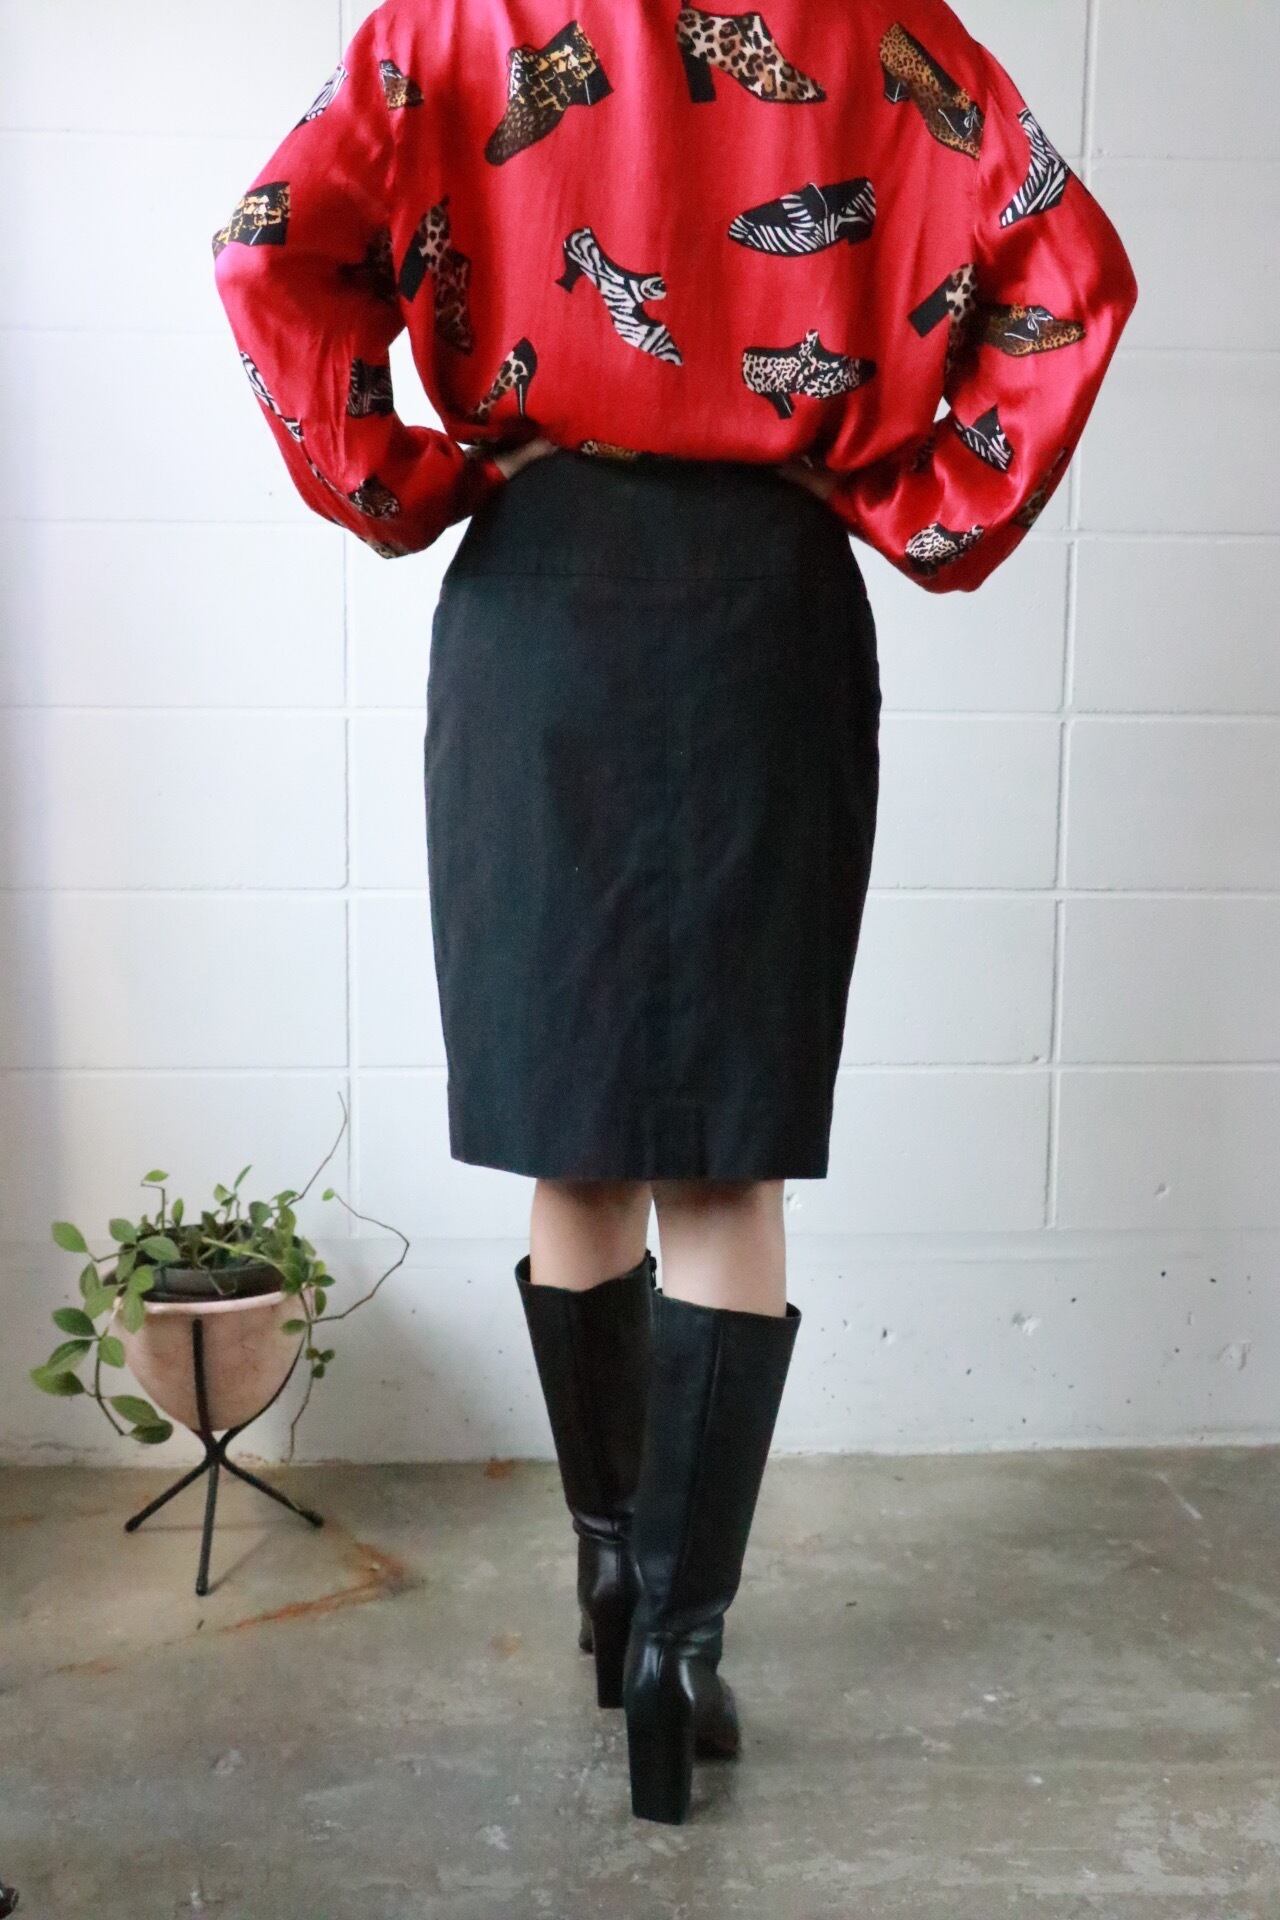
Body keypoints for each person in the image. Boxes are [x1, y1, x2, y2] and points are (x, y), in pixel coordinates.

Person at [212, 0, 1138, 1825]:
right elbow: (1070, 272)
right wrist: (913, 497)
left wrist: (418, 476)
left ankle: (610, 1573)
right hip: (763, 606)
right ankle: (681, 1651)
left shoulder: (453, 23)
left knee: (580, 1142)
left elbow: (269, 253)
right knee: (724, 1160)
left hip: (542, 606)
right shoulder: (872, 26)